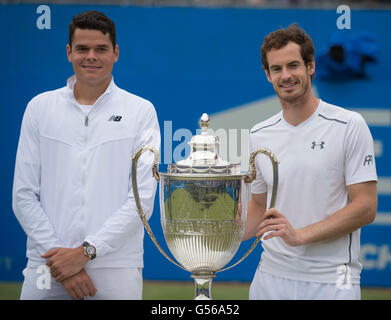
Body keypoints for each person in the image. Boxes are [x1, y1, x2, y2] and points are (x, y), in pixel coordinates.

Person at [12, 11, 160, 300]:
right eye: (82, 49)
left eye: (101, 49)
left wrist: (85, 253)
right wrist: (63, 263)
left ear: (115, 53)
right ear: (69, 52)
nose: (91, 56)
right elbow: (23, 195)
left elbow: (141, 201)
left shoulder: (141, 111)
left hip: (116, 268)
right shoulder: (39, 108)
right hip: (47, 265)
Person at [244, 24, 377, 300]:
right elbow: (258, 207)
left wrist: (300, 235)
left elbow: (365, 207)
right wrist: (213, 244)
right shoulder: (258, 134)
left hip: (332, 279)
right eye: (277, 69)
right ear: (267, 75)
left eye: (293, 65)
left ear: (311, 66)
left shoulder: (349, 125)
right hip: (270, 278)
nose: (286, 75)